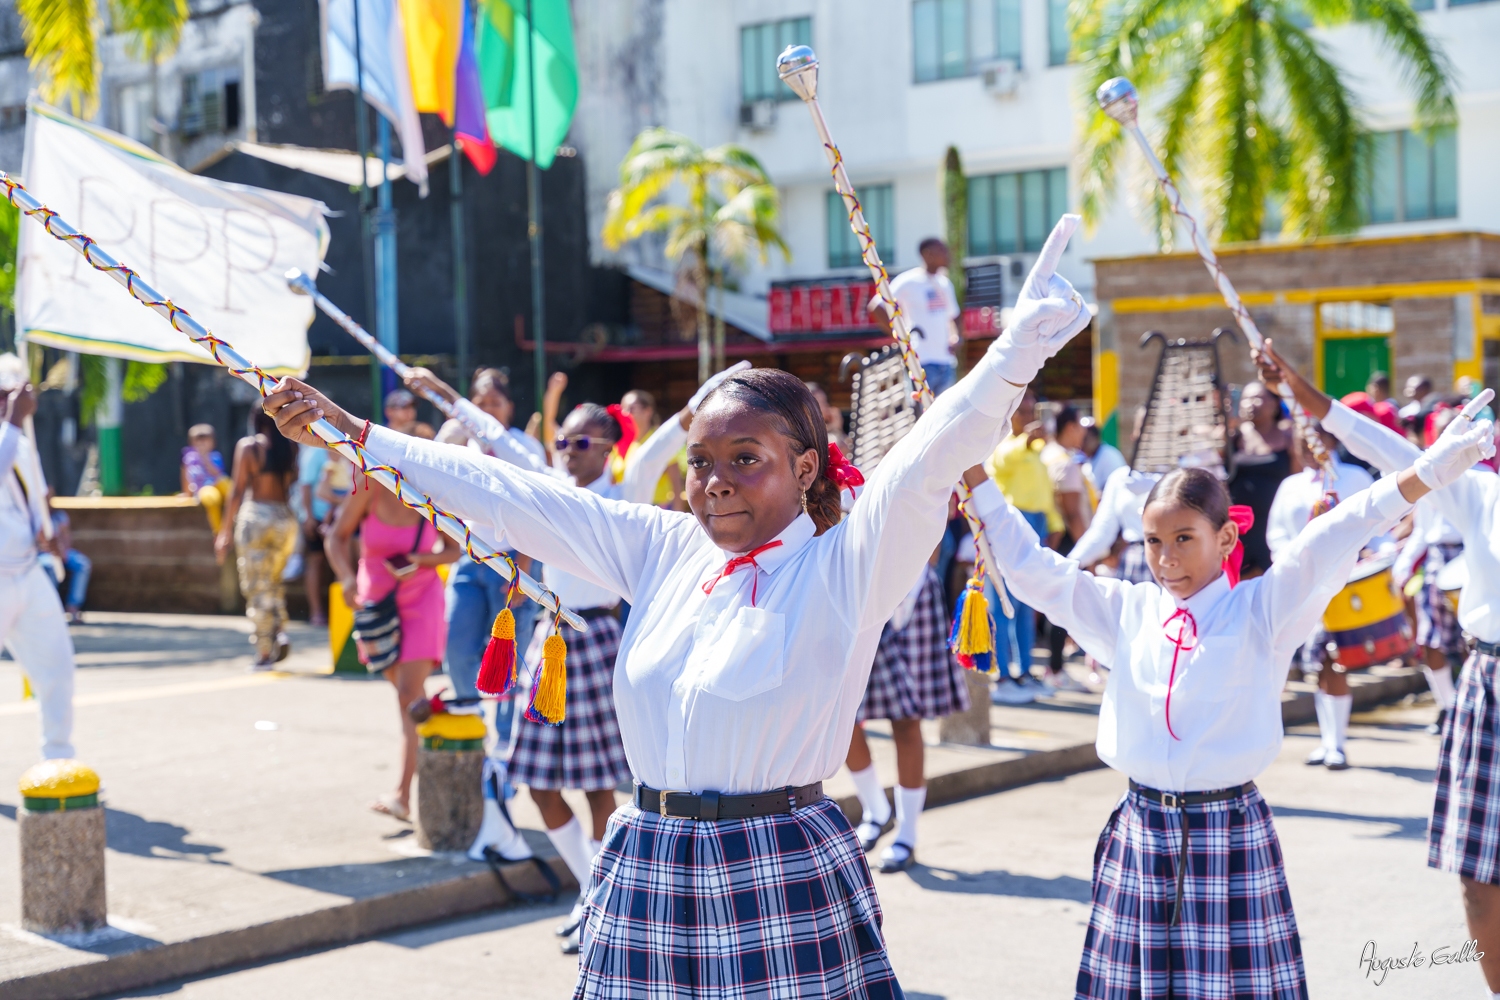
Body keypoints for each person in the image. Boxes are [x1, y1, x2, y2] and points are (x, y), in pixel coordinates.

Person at [264, 213, 1093, 1000]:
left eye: (746, 458)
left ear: (807, 470)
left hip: (780, 870)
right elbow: (509, 494)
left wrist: (1015, 351)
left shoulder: (848, 563)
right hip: (647, 864)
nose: (715, 480)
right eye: (701, 461)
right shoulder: (662, 548)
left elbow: (930, 453)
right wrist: (353, 434)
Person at [962, 406, 1489, 999]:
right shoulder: (1126, 611)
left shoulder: (1263, 609)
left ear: (1227, 536)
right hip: (1140, 831)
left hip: (1229, 834)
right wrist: (975, 476)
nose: (1166, 559)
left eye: (1185, 538)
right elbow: (1034, 570)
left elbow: (1341, 529)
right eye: (1154, 541)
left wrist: (1427, 472)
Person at [414, 365, 729, 955]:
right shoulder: (552, 485)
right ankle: (594, 891)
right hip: (550, 643)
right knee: (536, 782)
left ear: (608, 449)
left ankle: (604, 905)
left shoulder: (625, 490)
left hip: (603, 642)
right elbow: (502, 443)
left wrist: (703, 403)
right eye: (562, 442)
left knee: (599, 791)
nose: (565, 452)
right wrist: (448, 398)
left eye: (579, 443)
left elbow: (664, 441)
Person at [1254, 343, 1500, 999]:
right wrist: (1297, 390)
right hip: (1490, 686)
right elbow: (1383, 448)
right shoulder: (1479, 494)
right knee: (1481, 876)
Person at [325, 422, 460, 821]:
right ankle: (433, 721)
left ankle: (403, 794)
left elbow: (453, 550)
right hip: (376, 601)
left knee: (407, 693)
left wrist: (420, 561)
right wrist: (347, 577)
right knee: (406, 698)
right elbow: (335, 537)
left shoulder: (428, 496)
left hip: (421, 599)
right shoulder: (370, 485)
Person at [413, 366, 544, 739]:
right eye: (480, 403)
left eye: (494, 403)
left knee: (508, 658)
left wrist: (524, 570)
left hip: (513, 564)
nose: (486, 410)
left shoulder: (520, 448)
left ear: (509, 407)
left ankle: (507, 743)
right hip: (471, 561)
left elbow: (531, 511)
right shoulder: (460, 446)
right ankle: (474, 722)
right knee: (456, 644)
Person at [846, 553, 969, 874]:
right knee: (841, 718)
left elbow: (932, 528)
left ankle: (907, 834)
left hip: (911, 594)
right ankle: (876, 810)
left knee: (906, 721)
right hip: (855, 594)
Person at [1265, 422, 1376, 770]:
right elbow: (1277, 535)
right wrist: (1297, 562)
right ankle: (1328, 741)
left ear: (1331, 439)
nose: (1308, 447)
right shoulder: (1291, 486)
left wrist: (1374, 552)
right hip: (1306, 585)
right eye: (1301, 442)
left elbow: (1379, 524)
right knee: (1318, 665)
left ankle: (1337, 743)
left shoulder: (1356, 478)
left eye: (1315, 439)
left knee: (1335, 659)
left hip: (1349, 583)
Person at [0, 384, 76, 760]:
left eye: (9, 393)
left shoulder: (21, 441)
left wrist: (48, 533)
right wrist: (13, 420)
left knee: (57, 668)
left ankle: (59, 761)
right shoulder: (12, 433)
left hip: (28, 571)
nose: (7, 399)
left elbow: (36, 501)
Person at [983, 387, 1060, 704]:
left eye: (1032, 412)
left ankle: (1025, 672)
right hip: (1007, 529)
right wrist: (1025, 440)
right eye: (1023, 412)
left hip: (1035, 525)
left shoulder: (1036, 450)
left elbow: (1045, 492)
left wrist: (1055, 526)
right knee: (1002, 603)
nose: (1029, 419)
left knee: (1027, 604)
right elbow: (1001, 461)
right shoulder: (1000, 445)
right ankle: (1001, 676)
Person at [215, 411, 298, 669]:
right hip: (285, 518)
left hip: (256, 516)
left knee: (256, 587)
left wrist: (225, 531)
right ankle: (280, 629)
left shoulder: (249, 447)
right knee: (273, 581)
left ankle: (263, 651)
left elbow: (237, 489)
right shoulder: (291, 447)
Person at [1039, 405, 1092, 691]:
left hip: (1053, 537)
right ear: (1070, 427)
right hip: (1068, 540)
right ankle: (1056, 668)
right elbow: (1072, 512)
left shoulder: (1047, 455)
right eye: (1081, 426)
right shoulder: (1064, 461)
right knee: (1062, 603)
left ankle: (1055, 666)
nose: (1084, 432)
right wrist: (1088, 550)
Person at [868, 237, 961, 395]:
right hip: (921, 361)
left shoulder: (945, 283)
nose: (947, 255)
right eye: (942, 251)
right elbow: (876, 306)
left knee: (946, 416)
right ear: (927, 254)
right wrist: (899, 334)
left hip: (946, 361)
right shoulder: (909, 281)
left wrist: (957, 336)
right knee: (924, 415)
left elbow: (955, 316)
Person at [1227, 381, 1293, 578]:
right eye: (1246, 399)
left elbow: (1299, 476)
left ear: (1274, 404)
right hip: (1241, 530)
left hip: (1275, 526)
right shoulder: (1234, 437)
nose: (1250, 404)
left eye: (1257, 398)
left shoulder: (1288, 436)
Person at [1071, 464, 1159, 584]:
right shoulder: (1119, 477)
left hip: (1169, 557)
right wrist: (1073, 561)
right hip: (1134, 561)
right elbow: (1103, 528)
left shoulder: (1181, 472)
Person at [614, 388, 687, 510]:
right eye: (623, 409)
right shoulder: (619, 443)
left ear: (648, 411)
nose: (625, 413)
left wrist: (678, 513)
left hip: (658, 510)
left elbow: (676, 484)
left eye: (631, 408)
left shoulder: (661, 442)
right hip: (624, 511)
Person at [294, 444, 330, 626]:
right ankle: (316, 612)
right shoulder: (316, 452)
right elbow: (305, 485)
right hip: (316, 516)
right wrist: (308, 515)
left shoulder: (348, 450)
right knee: (316, 561)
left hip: (340, 518)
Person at [42, 503, 91, 624]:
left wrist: (62, 552)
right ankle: (50, 609)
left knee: (82, 564)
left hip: (63, 552)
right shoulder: (35, 515)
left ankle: (73, 607)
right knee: (50, 566)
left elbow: (66, 536)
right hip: (41, 555)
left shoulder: (59, 516)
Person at [181, 424, 231, 532]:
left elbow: (217, 473)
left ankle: (237, 513)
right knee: (212, 499)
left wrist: (205, 458)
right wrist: (187, 494)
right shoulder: (189, 459)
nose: (201, 444)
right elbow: (186, 476)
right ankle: (219, 532)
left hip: (217, 484)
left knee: (226, 482)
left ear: (212, 442)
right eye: (198, 441)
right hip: (204, 488)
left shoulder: (215, 456)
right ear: (192, 443)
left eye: (205, 441)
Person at [805, 380, 852, 455]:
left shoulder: (827, 431)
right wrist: (836, 428)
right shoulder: (807, 436)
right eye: (823, 402)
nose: (827, 407)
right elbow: (840, 452)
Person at [1081, 416, 1126, 487]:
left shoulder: (1109, 456)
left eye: (1085, 439)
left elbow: (1116, 489)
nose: (1081, 443)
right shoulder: (1088, 458)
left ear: (1095, 438)